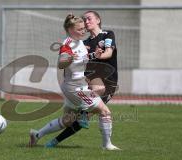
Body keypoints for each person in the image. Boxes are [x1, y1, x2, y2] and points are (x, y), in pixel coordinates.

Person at [28, 14, 119, 150]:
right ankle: (107, 145)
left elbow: (82, 58)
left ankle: (37, 134)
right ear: (71, 29)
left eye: (84, 29)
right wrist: (67, 59)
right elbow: (61, 63)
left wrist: (95, 55)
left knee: (68, 120)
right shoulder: (67, 45)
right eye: (80, 29)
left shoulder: (80, 42)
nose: (84, 31)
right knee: (105, 111)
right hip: (76, 88)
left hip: (73, 86)